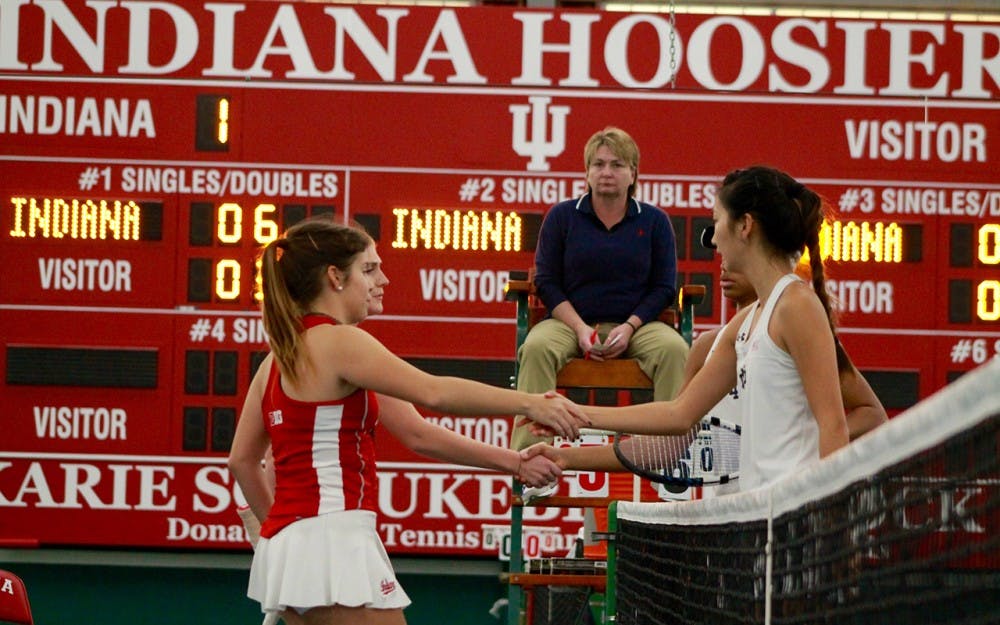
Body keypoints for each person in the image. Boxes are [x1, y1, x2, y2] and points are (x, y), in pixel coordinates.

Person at [228, 218, 586, 625]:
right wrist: (532, 403)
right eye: (368, 269)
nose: (382, 279)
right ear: (334, 277)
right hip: (331, 539)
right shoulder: (342, 343)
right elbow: (435, 392)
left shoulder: (277, 359)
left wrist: (516, 463)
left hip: (300, 545)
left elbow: (419, 434)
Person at [527, 166, 851, 492]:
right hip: (759, 518)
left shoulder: (797, 305)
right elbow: (678, 416)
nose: (713, 237)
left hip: (797, 519)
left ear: (744, 226)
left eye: (717, 220)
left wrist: (828, 519)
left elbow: (834, 425)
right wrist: (571, 426)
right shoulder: (748, 320)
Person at [510, 126, 688, 451]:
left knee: (676, 351)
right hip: (569, 323)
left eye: (617, 165)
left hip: (637, 325)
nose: (607, 172)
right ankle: (530, 458)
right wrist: (579, 328)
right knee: (535, 348)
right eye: (598, 164)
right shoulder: (562, 217)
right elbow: (547, 281)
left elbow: (664, 287)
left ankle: (669, 460)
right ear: (587, 173)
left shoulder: (654, 221)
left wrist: (631, 326)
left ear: (633, 173)